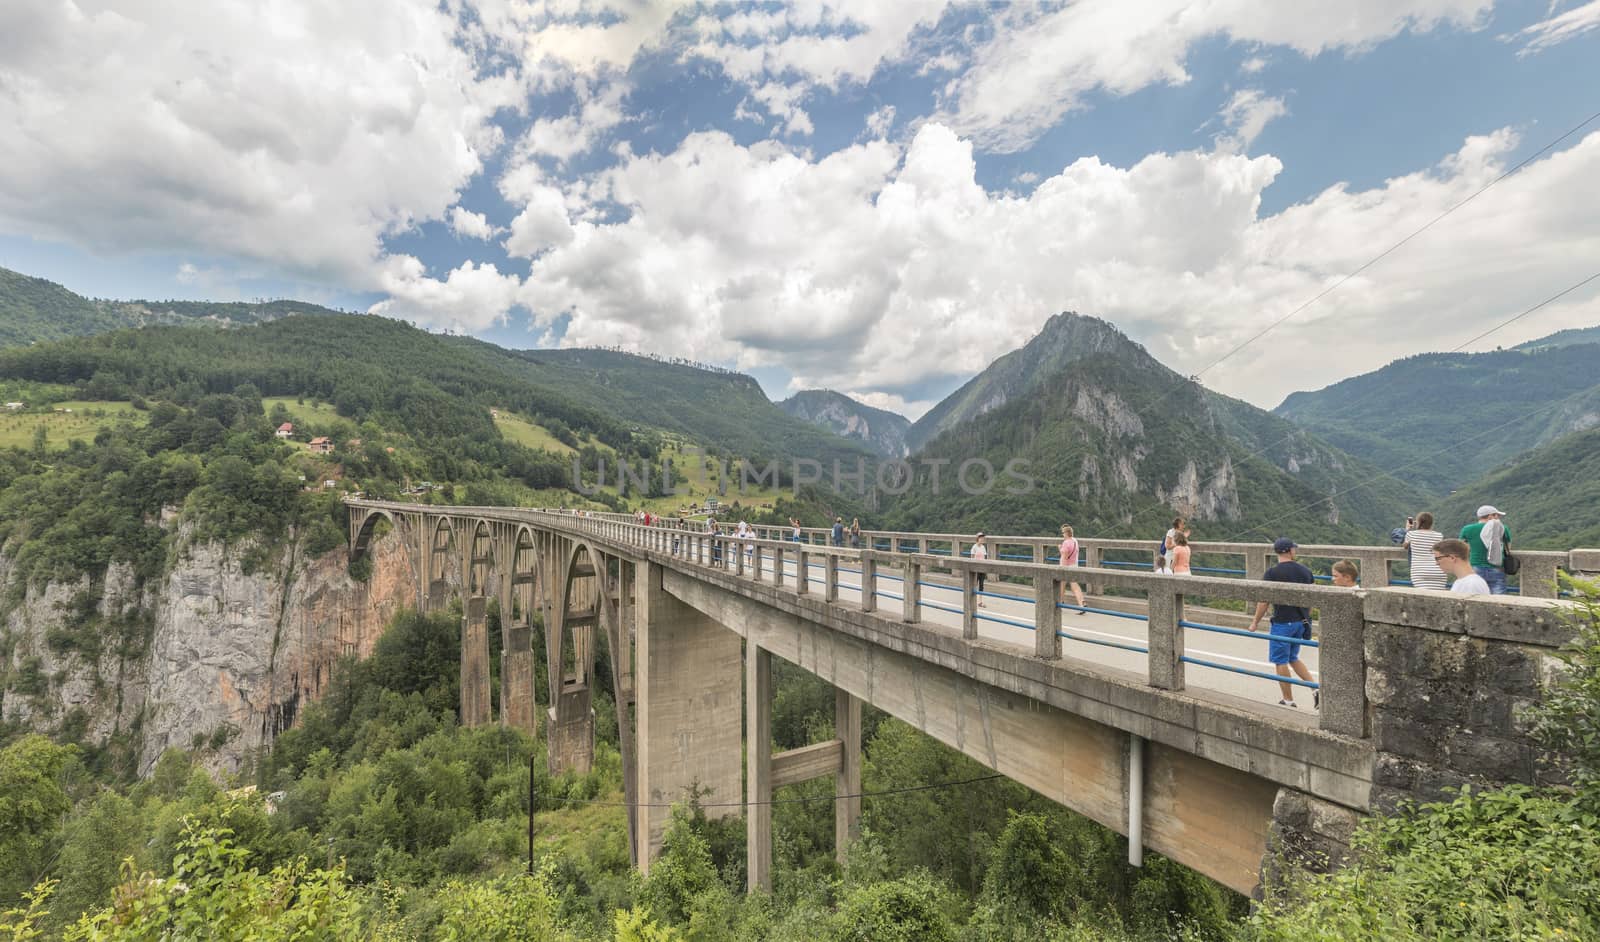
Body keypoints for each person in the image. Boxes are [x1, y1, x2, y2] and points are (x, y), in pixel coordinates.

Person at [1247, 537, 1318, 710]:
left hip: (1282, 623)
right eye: (1294, 548)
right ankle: (1315, 689)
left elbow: (1264, 601)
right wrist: (1307, 619)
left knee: (1281, 661)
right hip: (1301, 622)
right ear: (1290, 551)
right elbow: (1312, 598)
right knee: (1293, 658)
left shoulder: (1272, 573)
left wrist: (1254, 622)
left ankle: (1287, 700)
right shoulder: (1305, 571)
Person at [1460, 505, 1512, 595]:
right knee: (1498, 599)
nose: (1498, 518)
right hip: (1496, 568)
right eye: (1497, 515)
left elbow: (1461, 548)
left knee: (1476, 596)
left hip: (1475, 567)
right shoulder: (1503, 527)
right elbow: (1508, 548)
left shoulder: (1467, 529)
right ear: (1490, 516)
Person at [1402, 512, 1446, 590]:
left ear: (1418, 522)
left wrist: (1407, 529)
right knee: (1438, 598)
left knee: (1423, 598)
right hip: (1438, 571)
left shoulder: (1411, 534)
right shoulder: (1439, 535)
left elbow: (1405, 546)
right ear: (1431, 523)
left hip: (1419, 571)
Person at [1058, 525, 1087, 614]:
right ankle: (1082, 604)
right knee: (1075, 586)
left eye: (1063, 533)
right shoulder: (1075, 541)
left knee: (1061, 586)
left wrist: (1060, 548)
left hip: (1065, 567)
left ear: (1066, 533)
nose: (1062, 534)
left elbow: (1065, 557)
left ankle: (1060, 604)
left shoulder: (1066, 543)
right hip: (1074, 565)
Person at [971, 532, 989, 607]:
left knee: (981, 585)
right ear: (977, 538)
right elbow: (972, 558)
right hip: (975, 568)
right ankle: (972, 600)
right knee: (974, 584)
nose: (982, 539)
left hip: (982, 568)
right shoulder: (974, 547)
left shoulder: (983, 547)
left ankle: (980, 601)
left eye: (982, 538)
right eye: (980, 537)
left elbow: (984, 558)